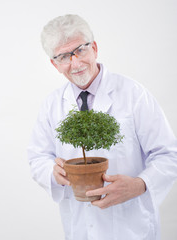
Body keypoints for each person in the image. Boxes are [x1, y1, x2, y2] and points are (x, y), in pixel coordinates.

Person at [27, 14, 177, 240]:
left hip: (132, 227)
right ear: (54, 64)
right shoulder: (52, 105)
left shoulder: (133, 94)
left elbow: (168, 154)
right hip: (80, 228)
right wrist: (51, 171)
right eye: (64, 56)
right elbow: (38, 157)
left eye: (80, 50)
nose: (75, 63)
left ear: (94, 48)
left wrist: (139, 185)